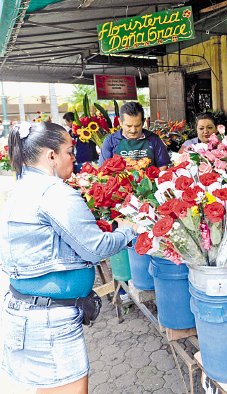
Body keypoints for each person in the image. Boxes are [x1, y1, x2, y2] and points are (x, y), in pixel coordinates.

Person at [0, 121, 136, 393]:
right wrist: (128, 230)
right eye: (69, 151)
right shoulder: (53, 192)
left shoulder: (21, 187)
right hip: (48, 320)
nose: (74, 158)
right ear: (51, 156)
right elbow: (95, 248)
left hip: (31, 310)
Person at [99, 102, 170, 170]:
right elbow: (103, 170)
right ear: (120, 122)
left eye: (137, 126)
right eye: (129, 126)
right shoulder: (110, 141)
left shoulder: (154, 139)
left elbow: (163, 167)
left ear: (143, 122)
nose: (133, 130)